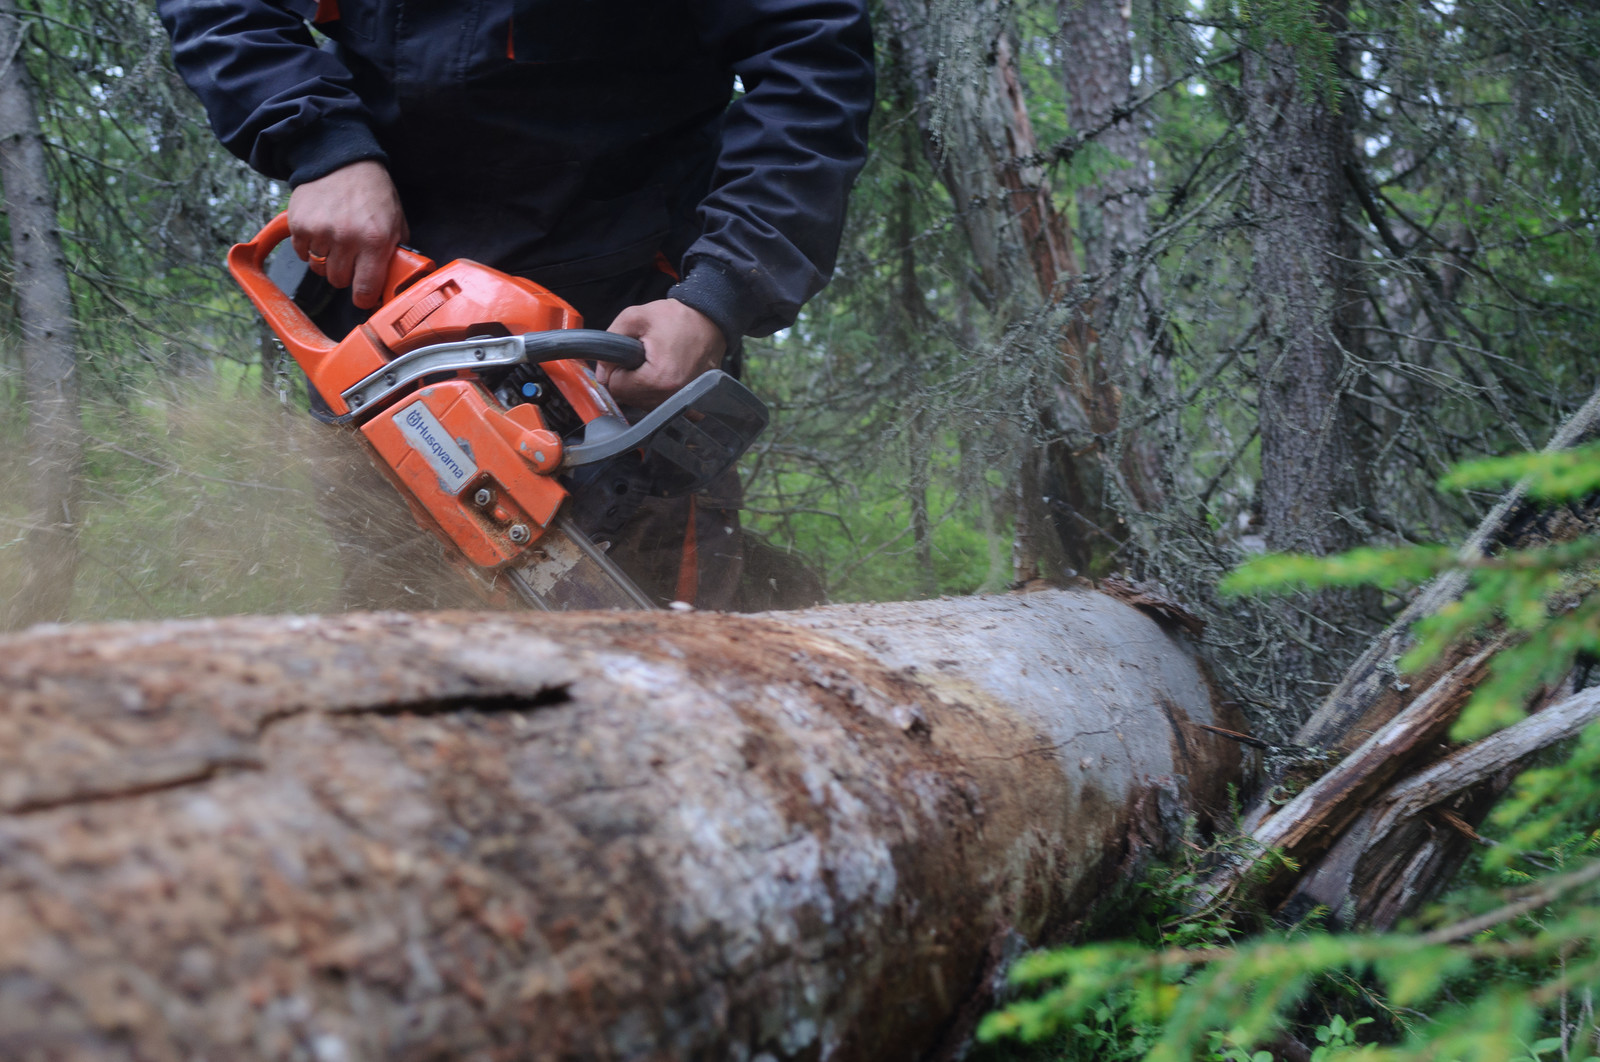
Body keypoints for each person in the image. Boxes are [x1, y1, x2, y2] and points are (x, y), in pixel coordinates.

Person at [157, 0, 873, 609]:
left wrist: (716, 294)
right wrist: (322, 145)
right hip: (379, 305)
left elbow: (809, 58)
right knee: (401, 628)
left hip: (623, 318)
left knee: (657, 625)